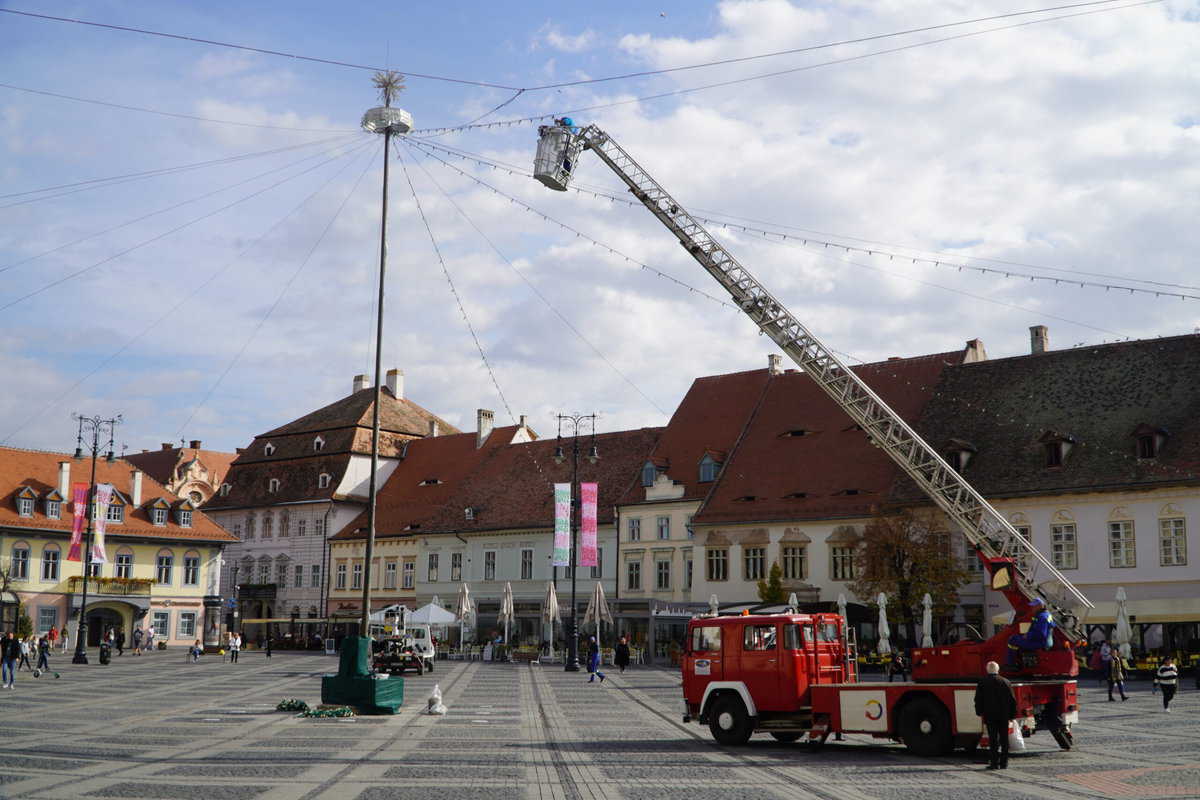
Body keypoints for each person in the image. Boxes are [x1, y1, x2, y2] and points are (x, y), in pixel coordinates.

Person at [974, 660, 1017, 770]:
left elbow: (978, 699)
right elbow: (1012, 700)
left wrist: (979, 712)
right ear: (998, 670)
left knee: (993, 739)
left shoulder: (982, 682)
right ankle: (1004, 763)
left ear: (987, 670)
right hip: (1004, 715)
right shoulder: (1006, 682)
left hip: (990, 715)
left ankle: (994, 763)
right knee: (1004, 739)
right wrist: (1012, 715)